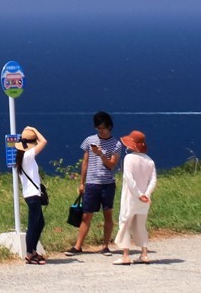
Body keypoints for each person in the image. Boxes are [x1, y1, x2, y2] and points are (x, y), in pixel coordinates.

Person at [65, 111, 122, 256]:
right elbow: (85, 162)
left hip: (107, 183)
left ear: (109, 127)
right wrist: (82, 182)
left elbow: (111, 165)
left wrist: (101, 154)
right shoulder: (90, 140)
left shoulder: (116, 144)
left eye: (103, 128)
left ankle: (105, 246)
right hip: (91, 183)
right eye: (98, 128)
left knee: (107, 214)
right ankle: (78, 246)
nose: (100, 131)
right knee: (86, 215)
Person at [113, 130, 157, 265]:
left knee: (125, 224)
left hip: (131, 198)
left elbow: (129, 179)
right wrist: (146, 194)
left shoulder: (129, 158)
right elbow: (153, 180)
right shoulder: (149, 161)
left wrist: (138, 194)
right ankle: (144, 253)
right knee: (140, 226)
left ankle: (125, 255)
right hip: (144, 200)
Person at [15, 126, 48, 265]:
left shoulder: (21, 156)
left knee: (39, 223)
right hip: (33, 196)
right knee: (34, 224)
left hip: (31, 195)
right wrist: (34, 129)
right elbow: (44, 141)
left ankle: (33, 251)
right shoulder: (28, 156)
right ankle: (29, 253)